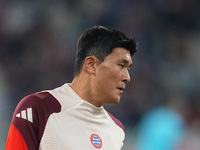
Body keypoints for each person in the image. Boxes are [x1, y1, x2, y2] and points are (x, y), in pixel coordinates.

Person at [5, 26, 137, 150]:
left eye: (128, 69)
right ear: (91, 65)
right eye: (121, 65)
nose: (127, 77)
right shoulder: (37, 109)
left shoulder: (117, 130)